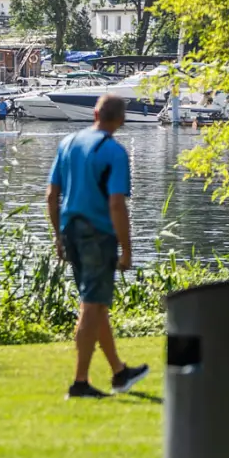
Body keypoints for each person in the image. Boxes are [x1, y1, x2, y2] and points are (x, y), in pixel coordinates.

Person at [46, 95, 149, 399]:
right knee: (91, 306)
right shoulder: (115, 152)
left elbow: (52, 196)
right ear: (121, 120)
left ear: (94, 113)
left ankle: (119, 372)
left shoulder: (67, 143)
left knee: (95, 303)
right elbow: (117, 203)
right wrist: (127, 249)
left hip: (71, 231)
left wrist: (58, 236)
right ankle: (80, 383)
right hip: (97, 234)